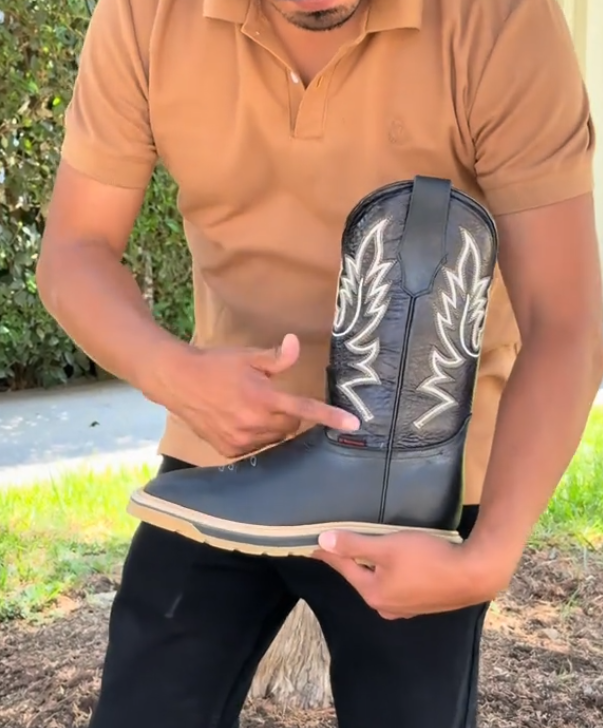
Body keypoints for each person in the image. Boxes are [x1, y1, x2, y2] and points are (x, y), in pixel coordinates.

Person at [37, 0, 602, 726]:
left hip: (418, 475)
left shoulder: (498, 19)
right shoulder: (146, 14)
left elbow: (565, 320)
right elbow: (74, 251)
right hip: (226, 449)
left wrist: (489, 555)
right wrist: (170, 372)